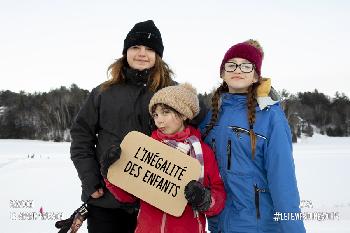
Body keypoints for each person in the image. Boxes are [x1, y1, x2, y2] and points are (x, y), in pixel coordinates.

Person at [69, 20, 177, 233]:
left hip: (155, 204)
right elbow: (81, 138)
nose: (142, 53)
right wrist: (91, 182)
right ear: (125, 52)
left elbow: (202, 127)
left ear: (158, 56)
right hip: (107, 202)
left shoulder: (173, 93)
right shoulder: (102, 93)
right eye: (135, 47)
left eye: (149, 49)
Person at [199, 40, 306, 233]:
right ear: (222, 73)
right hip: (218, 226)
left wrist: (294, 229)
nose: (238, 69)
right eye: (231, 65)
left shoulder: (271, 116)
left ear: (256, 75)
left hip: (258, 226)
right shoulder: (211, 116)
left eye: (246, 65)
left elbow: (283, 182)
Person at [105, 83, 226, 233]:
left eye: (165, 112)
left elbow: (218, 194)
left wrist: (205, 199)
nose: (159, 120)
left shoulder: (202, 152)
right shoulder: (146, 148)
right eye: (155, 115)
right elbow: (128, 197)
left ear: (183, 114)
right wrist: (112, 171)